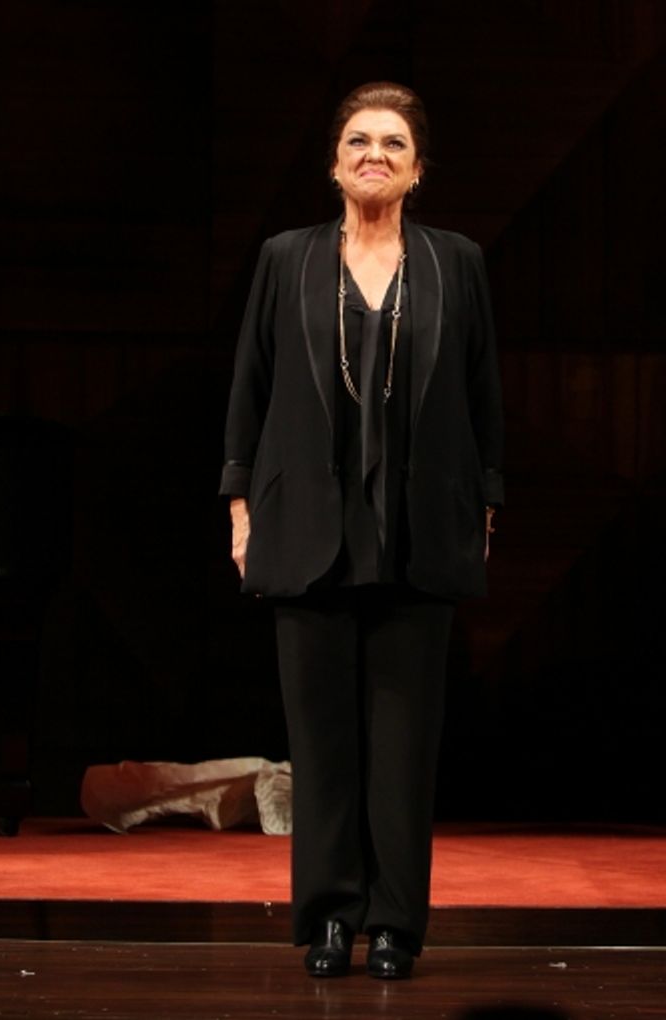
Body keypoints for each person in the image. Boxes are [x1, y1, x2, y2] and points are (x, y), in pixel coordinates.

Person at [220, 82, 503, 979]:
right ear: (334, 163)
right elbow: (249, 390)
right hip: (307, 529)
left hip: (417, 534)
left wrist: (485, 506)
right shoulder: (286, 259)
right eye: (356, 141)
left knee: (404, 747)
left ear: (417, 169)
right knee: (322, 743)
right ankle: (329, 917)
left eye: (391, 143)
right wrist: (238, 504)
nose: (372, 153)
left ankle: (394, 925)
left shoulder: (456, 262)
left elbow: (485, 396)